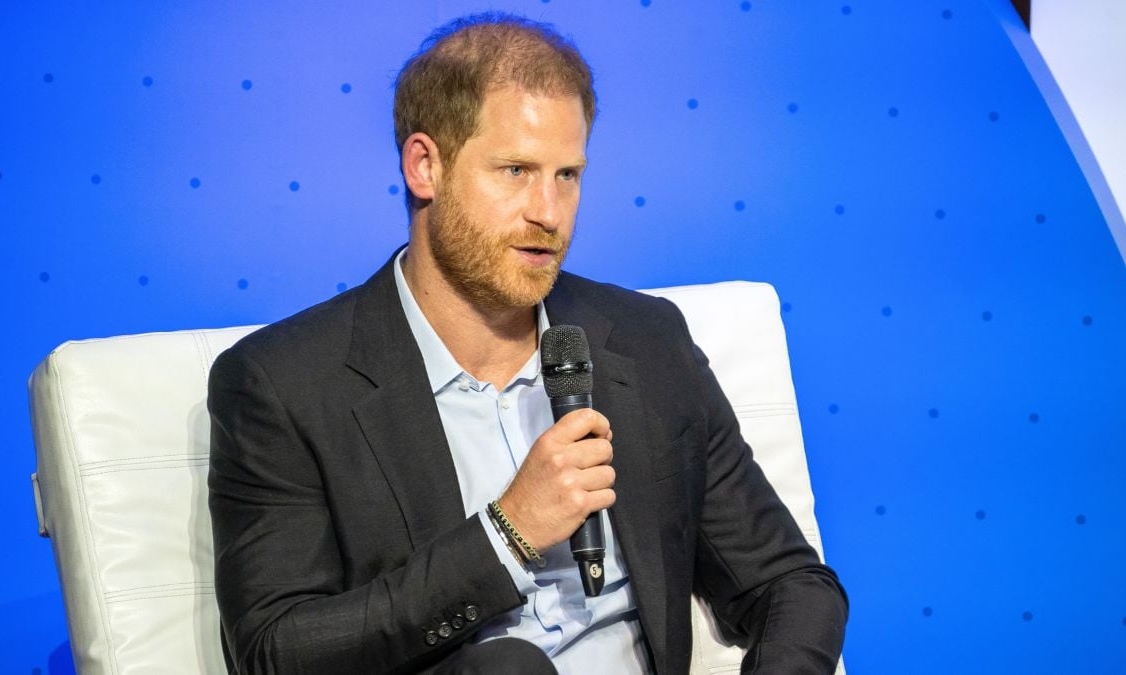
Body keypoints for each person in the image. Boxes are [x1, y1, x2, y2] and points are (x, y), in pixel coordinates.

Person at [207, 12, 847, 675]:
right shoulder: (282, 384)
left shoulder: (645, 340)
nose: (549, 210)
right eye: (515, 170)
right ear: (425, 166)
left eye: (567, 174)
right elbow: (275, 652)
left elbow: (791, 585)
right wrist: (506, 532)